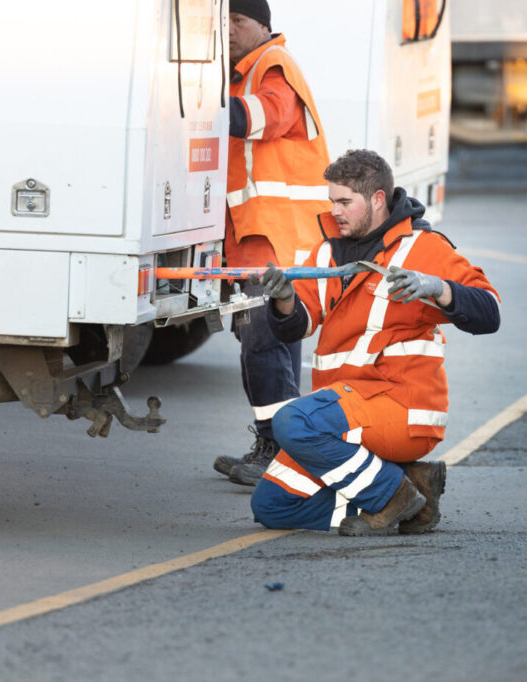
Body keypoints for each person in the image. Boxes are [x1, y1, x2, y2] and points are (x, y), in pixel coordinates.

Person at [247, 150, 501, 535]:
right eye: (332, 201)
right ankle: (410, 491)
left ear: (378, 200)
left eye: (345, 202)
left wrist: (438, 288)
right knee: (272, 507)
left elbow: (490, 313)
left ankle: (389, 495)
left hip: (401, 407)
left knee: (290, 421)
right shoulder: (328, 251)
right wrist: (283, 301)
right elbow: (295, 328)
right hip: (344, 413)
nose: (335, 211)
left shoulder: (424, 248)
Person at [213, 0, 332, 486]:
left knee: (262, 347)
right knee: (269, 346)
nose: (230, 31)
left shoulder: (273, 65)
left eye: (239, 21)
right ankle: (279, 445)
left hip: (278, 242)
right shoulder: (241, 73)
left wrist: (196, 102)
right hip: (260, 239)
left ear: (263, 25)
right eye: (224, 23)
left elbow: (262, 118)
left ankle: (280, 452)